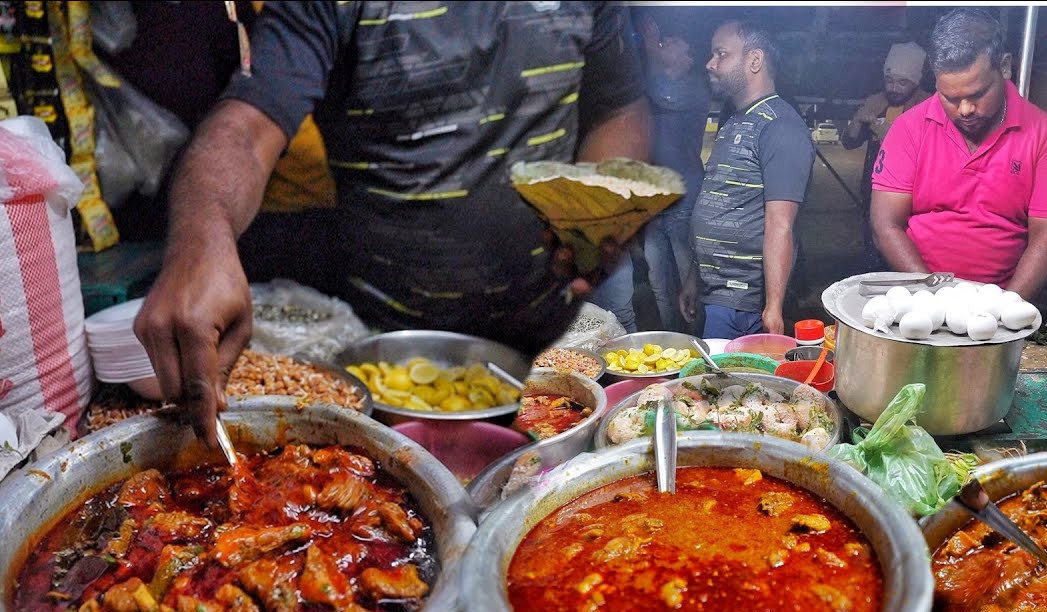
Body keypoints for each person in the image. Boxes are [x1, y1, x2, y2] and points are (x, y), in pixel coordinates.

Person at [134, 2, 650, 448]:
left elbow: (618, 108)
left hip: (547, 350)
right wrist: (201, 239)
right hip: (388, 360)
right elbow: (246, 126)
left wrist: (601, 199)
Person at [869, 9, 1047, 301]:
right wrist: (934, 297)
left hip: (1004, 298)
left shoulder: (1046, 135)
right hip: (919, 295)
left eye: (977, 94)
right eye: (950, 98)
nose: (965, 109)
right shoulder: (908, 129)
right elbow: (886, 226)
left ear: (1004, 67)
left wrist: (1003, 312)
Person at [679, 19, 814, 339]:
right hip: (717, 292)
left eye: (721, 54)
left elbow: (780, 223)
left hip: (744, 304)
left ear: (755, 60)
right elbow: (720, 201)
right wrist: (693, 279)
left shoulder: (780, 126)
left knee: (730, 387)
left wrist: (774, 307)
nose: (710, 63)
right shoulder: (737, 120)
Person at [633, 9, 709, 333]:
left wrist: (650, 49)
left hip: (683, 200)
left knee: (687, 280)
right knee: (658, 281)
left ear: (688, 57)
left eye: (674, 41)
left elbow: (658, 91)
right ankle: (671, 343)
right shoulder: (654, 86)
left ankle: (698, 348)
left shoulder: (693, 89)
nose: (666, 42)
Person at [842, 42, 930, 205]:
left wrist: (893, 137)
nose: (894, 88)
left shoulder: (929, 107)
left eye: (902, 83)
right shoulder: (876, 102)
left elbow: (933, 158)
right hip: (874, 193)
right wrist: (857, 120)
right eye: (889, 81)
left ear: (916, 82)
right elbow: (849, 143)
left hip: (912, 199)